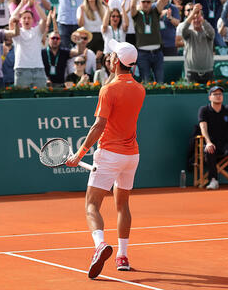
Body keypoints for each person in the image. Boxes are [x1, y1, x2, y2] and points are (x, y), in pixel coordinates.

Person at [66, 39, 145, 278]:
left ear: (117, 62)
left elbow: (99, 125)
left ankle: (100, 245)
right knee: (123, 205)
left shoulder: (108, 90)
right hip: (132, 156)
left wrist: (79, 153)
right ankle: (122, 255)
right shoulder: (140, 89)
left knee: (91, 205)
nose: (108, 58)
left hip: (110, 153)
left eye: (111, 56)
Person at [130, 0, 168, 83]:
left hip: (157, 53)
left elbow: (163, 1)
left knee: (160, 82)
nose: (146, 4)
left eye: (148, 2)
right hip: (143, 54)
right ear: (140, 3)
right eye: (143, 2)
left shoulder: (155, 12)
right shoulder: (137, 15)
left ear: (151, 3)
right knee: (145, 82)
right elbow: (132, 5)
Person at [10, 2, 48, 88]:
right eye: (24, 18)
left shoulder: (37, 31)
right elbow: (12, 20)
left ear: (33, 20)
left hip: (39, 69)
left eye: (29, 18)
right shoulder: (17, 31)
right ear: (20, 20)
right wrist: (22, 3)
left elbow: (44, 19)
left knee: (41, 97)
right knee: (21, 98)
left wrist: (34, 3)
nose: (26, 20)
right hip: (22, 69)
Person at [177, 3, 216, 83]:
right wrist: (192, 14)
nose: (196, 20)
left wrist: (201, 18)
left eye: (198, 18)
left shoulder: (207, 33)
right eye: (194, 19)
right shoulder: (188, 34)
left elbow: (212, 33)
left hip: (208, 71)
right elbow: (184, 29)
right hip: (191, 72)